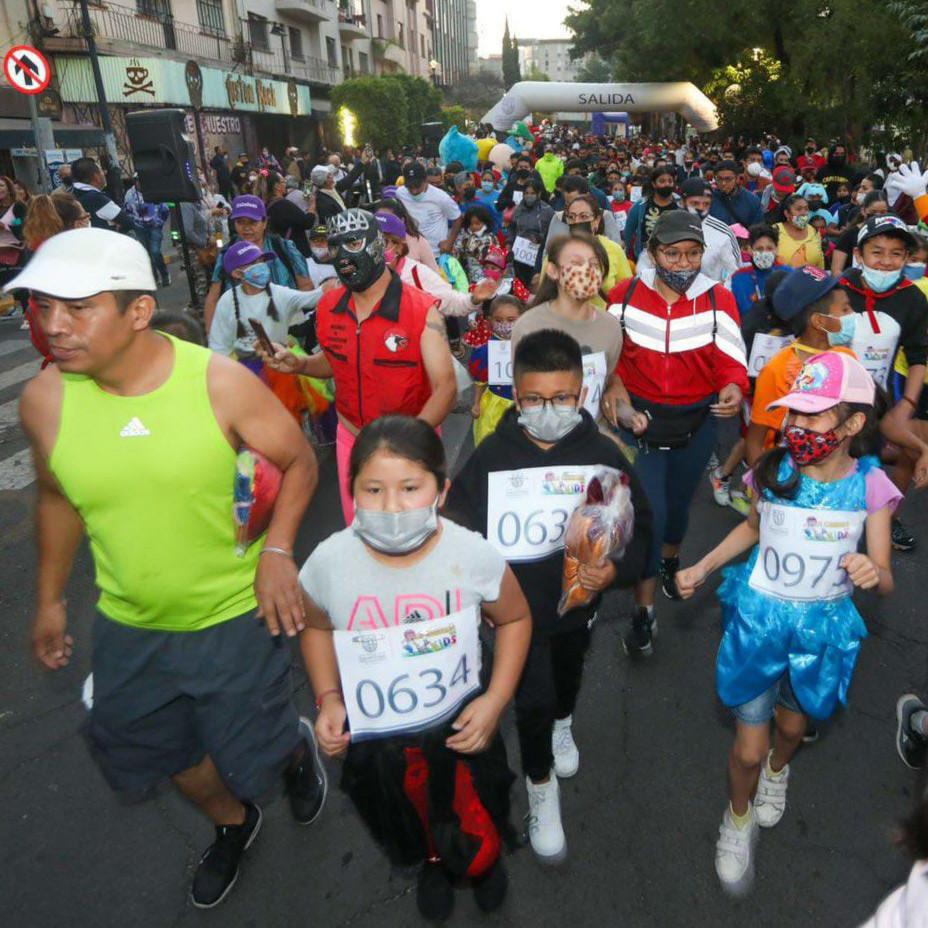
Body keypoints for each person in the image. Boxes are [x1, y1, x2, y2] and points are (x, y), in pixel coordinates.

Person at [9, 227, 328, 910]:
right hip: (130, 627)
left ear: (139, 312)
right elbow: (59, 496)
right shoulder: (43, 401)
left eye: (77, 307)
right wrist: (50, 599)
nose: (54, 327)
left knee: (258, 754)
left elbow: (300, 460)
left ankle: (292, 753)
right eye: (42, 307)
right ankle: (234, 822)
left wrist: (277, 552)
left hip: (236, 617)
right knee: (159, 752)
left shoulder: (219, 385)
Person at [676, 351, 897, 896]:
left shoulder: (870, 488)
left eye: (813, 414)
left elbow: (887, 576)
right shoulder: (773, 470)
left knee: (793, 728)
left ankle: (780, 769)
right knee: (746, 747)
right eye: (792, 412)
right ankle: (738, 817)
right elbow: (753, 528)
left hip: (820, 634)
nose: (796, 425)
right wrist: (703, 566)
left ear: (852, 425)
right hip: (756, 625)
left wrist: (873, 570)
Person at [299, 415, 531, 919]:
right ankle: (432, 861)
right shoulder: (328, 562)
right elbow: (315, 627)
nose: (392, 507)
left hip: (462, 727)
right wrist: (329, 699)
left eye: (410, 487)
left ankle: (486, 863)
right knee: (407, 812)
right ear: (352, 490)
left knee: (478, 803)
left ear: (441, 490)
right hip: (381, 740)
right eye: (374, 489)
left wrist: (495, 701)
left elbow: (514, 617)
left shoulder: (470, 554)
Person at [445, 329, 652, 864]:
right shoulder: (492, 456)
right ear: (516, 396)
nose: (547, 410)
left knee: (567, 678)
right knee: (530, 700)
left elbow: (637, 531)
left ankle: (564, 722)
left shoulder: (603, 456)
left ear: (581, 394)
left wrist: (614, 572)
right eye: (533, 400)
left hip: (576, 610)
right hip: (513, 616)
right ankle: (541, 785)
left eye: (561, 399)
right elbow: (459, 528)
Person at [604, 210, 749, 657]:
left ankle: (670, 561)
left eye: (692, 254)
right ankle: (644, 612)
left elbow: (731, 357)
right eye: (673, 253)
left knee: (679, 514)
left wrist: (732, 386)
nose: (683, 264)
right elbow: (609, 358)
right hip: (641, 426)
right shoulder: (623, 296)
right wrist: (614, 388)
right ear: (652, 252)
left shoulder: (717, 298)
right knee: (652, 516)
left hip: (697, 424)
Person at [258, 208, 457, 525]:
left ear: (378, 245)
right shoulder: (328, 307)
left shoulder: (421, 311)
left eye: (353, 243)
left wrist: (407, 441)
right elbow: (337, 362)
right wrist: (300, 364)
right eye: (334, 246)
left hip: (411, 439)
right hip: (352, 439)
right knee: (361, 532)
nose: (342, 257)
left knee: (415, 535)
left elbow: (446, 388)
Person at [839, 215, 928, 550]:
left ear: (906, 258)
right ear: (859, 254)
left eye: (896, 254)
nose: (886, 262)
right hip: (831, 400)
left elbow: (918, 355)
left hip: (879, 401)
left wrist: (906, 405)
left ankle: (886, 518)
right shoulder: (840, 287)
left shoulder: (913, 298)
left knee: (871, 463)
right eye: (877, 252)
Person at [513, 233, 624, 433]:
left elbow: (608, 379)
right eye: (576, 263)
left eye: (595, 265)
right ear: (553, 271)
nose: (587, 271)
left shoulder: (611, 327)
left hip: (593, 442)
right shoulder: (527, 326)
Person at [204, 195, 312, 331]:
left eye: (252, 222)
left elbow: (306, 285)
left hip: (287, 327)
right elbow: (213, 298)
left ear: (264, 222)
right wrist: (211, 336)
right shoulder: (227, 254)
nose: (246, 228)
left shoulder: (283, 248)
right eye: (240, 222)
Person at [375, 210, 498, 316]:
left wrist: (473, 299)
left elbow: (451, 302)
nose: (374, 248)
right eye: (370, 241)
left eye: (383, 242)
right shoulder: (359, 276)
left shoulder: (416, 273)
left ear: (399, 246)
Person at [19, 192, 91, 365]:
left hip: (59, 356)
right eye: (86, 216)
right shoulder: (74, 261)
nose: (89, 220)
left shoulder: (41, 252)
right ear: (78, 223)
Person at [638, 178, 741, 283]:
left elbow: (735, 273)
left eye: (706, 204)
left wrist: (720, 289)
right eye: (695, 203)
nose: (701, 208)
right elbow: (645, 264)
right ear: (682, 202)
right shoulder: (666, 225)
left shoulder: (723, 233)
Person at [468, 294, 525, 445]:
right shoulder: (485, 351)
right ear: (489, 322)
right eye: (499, 320)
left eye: (511, 320)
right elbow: (481, 380)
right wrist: (476, 403)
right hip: (495, 405)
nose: (505, 325)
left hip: (524, 405)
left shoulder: (529, 347)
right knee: (493, 443)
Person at [556, 195, 633, 305]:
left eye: (584, 217)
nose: (577, 222)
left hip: (604, 319)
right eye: (571, 217)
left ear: (596, 221)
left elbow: (628, 293)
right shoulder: (557, 251)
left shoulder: (613, 249)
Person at [396, 161, 462, 257]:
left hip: (435, 253)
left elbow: (457, 218)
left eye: (417, 186)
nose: (414, 191)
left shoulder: (441, 197)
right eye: (410, 187)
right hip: (412, 253)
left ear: (425, 180)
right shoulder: (400, 193)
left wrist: (449, 242)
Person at [729, 224, 784, 318]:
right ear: (750, 249)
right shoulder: (737, 278)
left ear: (777, 249)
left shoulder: (789, 275)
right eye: (759, 249)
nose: (765, 253)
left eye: (769, 248)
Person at [124, 177, 170, 288]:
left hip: (155, 226)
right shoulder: (129, 194)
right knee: (146, 253)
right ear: (135, 182)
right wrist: (135, 222)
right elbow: (127, 211)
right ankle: (154, 277)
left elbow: (165, 208)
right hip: (139, 227)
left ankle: (164, 274)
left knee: (155, 251)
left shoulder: (153, 190)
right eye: (138, 181)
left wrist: (158, 222)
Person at [258, 171, 316, 258]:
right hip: (296, 251)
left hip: (280, 252)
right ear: (276, 186)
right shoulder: (283, 205)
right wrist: (312, 205)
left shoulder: (264, 205)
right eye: (283, 182)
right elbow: (307, 222)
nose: (285, 184)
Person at [69, 157, 135, 233]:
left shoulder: (70, 193)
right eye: (101, 171)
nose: (104, 173)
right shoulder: (96, 198)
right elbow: (128, 222)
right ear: (96, 176)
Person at [830, 191, 889, 275]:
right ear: (863, 211)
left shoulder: (891, 233)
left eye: (883, 212)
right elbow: (836, 270)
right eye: (873, 212)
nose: (878, 216)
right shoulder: (850, 234)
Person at [773, 195, 824, 269]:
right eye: (799, 209)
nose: (804, 213)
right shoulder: (775, 230)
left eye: (806, 209)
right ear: (787, 213)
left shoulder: (814, 231)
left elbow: (820, 261)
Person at [710, 160, 764, 228]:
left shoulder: (752, 200)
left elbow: (758, 229)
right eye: (719, 179)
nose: (723, 183)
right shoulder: (709, 199)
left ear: (737, 178)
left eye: (728, 179)